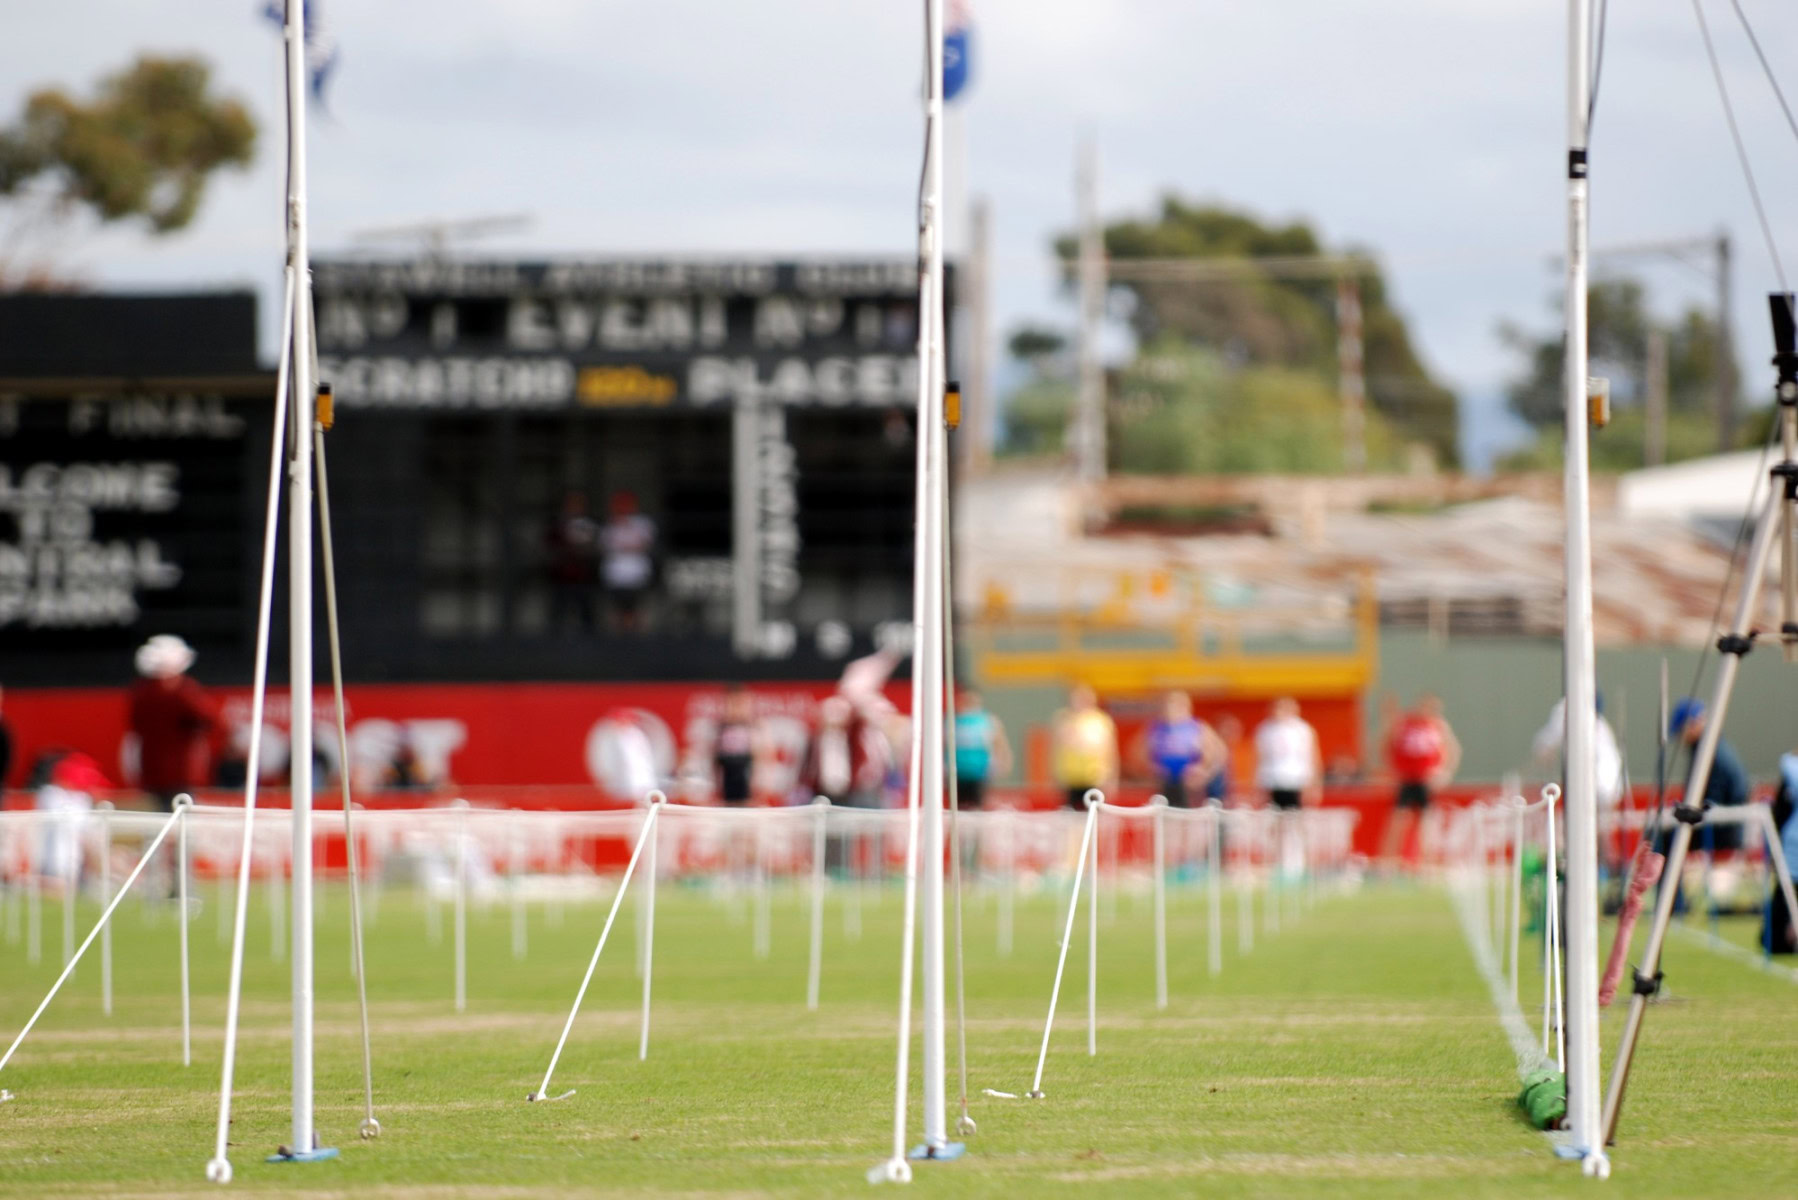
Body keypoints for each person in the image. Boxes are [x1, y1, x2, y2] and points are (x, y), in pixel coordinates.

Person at [126, 634, 217, 811]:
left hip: (156, 771)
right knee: (181, 815)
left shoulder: (142, 691)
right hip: (178, 771)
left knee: (163, 814)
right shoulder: (182, 690)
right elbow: (208, 717)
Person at [1379, 694, 1461, 866]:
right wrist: (1392, 770)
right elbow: (1387, 743)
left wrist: (1445, 773)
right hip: (1407, 779)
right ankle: (1388, 860)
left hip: (1425, 780)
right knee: (1399, 819)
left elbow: (1452, 750)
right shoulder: (1405, 724)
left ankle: (1426, 861)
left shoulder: (1439, 726)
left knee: (1427, 822)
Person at [1669, 698, 1750, 851]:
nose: (1681, 739)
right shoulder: (1714, 748)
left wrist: (1689, 812)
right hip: (1726, 827)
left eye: (1681, 731)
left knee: (1668, 837)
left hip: (1722, 831)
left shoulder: (1709, 755)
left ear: (1691, 724)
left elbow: (1712, 800)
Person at [1530, 694, 1625, 810]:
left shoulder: (1600, 731)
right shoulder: (1567, 711)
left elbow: (1545, 747)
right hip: (1589, 790)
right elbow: (1545, 746)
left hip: (1598, 789)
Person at [1140, 691, 1225, 808]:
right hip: (1167, 782)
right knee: (1169, 808)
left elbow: (1219, 753)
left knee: (1188, 808)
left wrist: (1204, 771)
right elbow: (1139, 756)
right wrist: (1153, 769)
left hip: (1192, 784)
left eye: (1175, 704)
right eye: (1167, 704)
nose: (1170, 708)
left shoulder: (1198, 727)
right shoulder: (1155, 728)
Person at [1052, 684, 1117, 809]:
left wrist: (1111, 778)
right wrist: (1055, 777)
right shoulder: (1064, 719)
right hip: (1070, 779)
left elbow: (1110, 752)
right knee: (1070, 815)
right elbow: (1056, 750)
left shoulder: (1100, 721)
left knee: (1093, 814)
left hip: (1095, 778)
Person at [601, 490, 656, 632]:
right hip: (615, 575)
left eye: (627, 504)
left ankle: (637, 638)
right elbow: (607, 545)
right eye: (620, 505)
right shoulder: (610, 524)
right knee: (616, 612)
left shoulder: (643, 523)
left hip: (637, 575)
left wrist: (624, 544)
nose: (623, 508)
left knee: (637, 610)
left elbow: (643, 544)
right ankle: (618, 638)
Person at [1761, 750, 1798, 955]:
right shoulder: (1791, 770)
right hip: (1792, 857)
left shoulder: (1791, 770)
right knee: (1772, 937)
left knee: (1773, 939)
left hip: (1792, 856)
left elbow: (1780, 814)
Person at [546, 489, 599, 632]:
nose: (575, 508)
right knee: (558, 613)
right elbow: (551, 546)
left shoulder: (588, 525)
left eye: (578, 505)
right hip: (561, 576)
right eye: (571, 505)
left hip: (583, 576)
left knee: (586, 613)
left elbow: (592, 546)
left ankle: (589, 639)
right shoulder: (558, 525)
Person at [1253, 697, 1320, 811]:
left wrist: (1314, 784)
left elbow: (1312, 757)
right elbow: (1259, 758)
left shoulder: (1302, 729)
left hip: (1296, 781)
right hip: (1272, 781)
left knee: (1295, 814)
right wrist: (1258, 784)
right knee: (1273, 814)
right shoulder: (1265, 729)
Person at [952, 689, 1012, 810]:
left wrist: (1004, 760)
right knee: (959, 806)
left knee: (977, 806)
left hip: (979, 771)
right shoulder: (953, 721)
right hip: (957, 772)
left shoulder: (987, 720)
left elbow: (999, 742)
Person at [713, 685, 764, 806]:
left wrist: (759, 786)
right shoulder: (720, 728)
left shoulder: (753, 726)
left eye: (739, 704)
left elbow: (761, 757)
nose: (736, 709)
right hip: (727, 782)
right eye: (732, 704)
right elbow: (715, 760)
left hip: (746, 779)